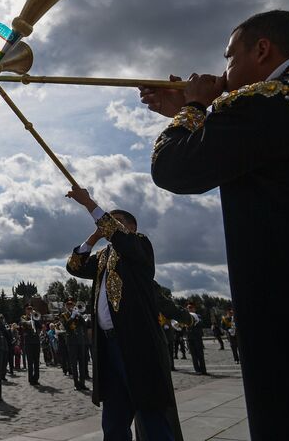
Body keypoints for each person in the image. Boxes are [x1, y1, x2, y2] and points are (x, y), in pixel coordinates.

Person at [141, 9, 289, 439]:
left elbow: (173, 168)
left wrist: (191, 108)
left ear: (262, 50)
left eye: (230, 58)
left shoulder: (262, 102)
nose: (225, 71)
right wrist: (198, 114)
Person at [66, 189, 193, 441]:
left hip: (135, 342)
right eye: (108, 222)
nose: (109, 226)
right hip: (108, 344)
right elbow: (75, 267)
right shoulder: (102, 258)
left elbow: (120, 238)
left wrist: (89, 204)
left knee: (150, 412)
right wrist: (93, 237)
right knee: (113, 417)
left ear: (132, 227)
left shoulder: (139, 245)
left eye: (117, 222)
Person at [20, 303, 42, 385]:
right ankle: (30, 379)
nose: (30, 310)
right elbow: (23, 324)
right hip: (28, 342)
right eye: (28, 309)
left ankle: (36, 378)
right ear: (25, 310)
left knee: (36, 361)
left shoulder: (36, 317)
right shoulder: (23, 317)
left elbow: (40, 326)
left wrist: (35, 319)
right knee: (30, 362)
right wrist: (30, 320)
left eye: (31, 309)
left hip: (36, 341)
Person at [185, 303, 207, 375]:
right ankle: (197, 370)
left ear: (194, 309)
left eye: (191, 308)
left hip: (197, 337)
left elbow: (201, 324)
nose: (190, 309)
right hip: (189, 337)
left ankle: (203, 370)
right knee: (193, 355)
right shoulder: (185, 317)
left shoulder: (198, 316)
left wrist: (195, 322)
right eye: (188, 308)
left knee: (200, 354)